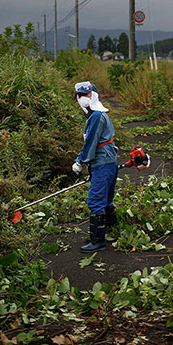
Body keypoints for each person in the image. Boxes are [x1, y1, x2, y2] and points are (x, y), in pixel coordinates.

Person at [72, 81, 118, 252]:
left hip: (102, 163)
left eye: (87, 95)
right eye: (81, 96)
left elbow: (91, 143)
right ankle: (114, 230)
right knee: (106, 200)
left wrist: (80, 161)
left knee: (96, 201)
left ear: (94, 95)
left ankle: (98, 241)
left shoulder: (97, 116)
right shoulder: (99, 114)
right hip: (108, 161)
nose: (83, 98)